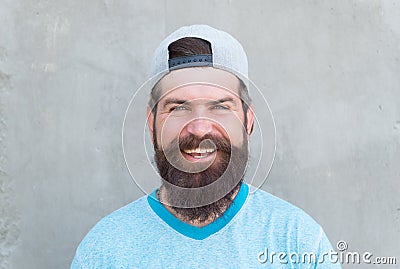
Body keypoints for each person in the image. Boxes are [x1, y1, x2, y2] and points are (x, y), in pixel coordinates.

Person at [71, 24, 341, 268]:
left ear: (248, 120)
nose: (199, 128)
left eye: (221, 107)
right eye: (178, 107)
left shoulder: (299, 243)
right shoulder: (102, 252)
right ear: (152, 122)